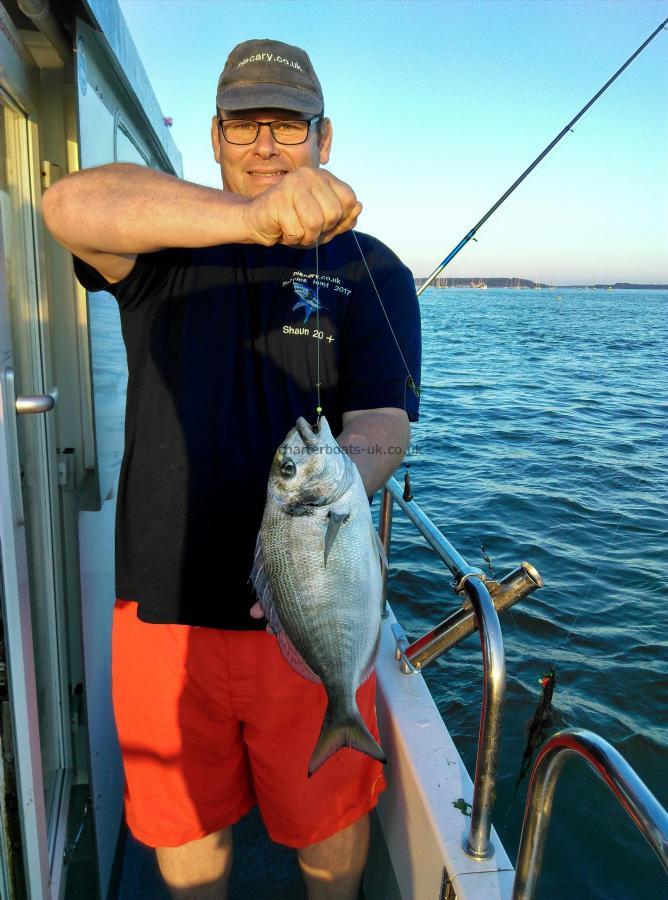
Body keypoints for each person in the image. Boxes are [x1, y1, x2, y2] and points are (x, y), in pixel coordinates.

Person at [43, 38, 420, 899]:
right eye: (245, 125)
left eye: (287, 128)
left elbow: (384, 422)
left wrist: (325, 496)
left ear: (325, 141)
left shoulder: (372, 269)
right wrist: (248, 219)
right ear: (213, 137)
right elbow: (67, 204)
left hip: (311, 609)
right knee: (187, 832)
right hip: (166, 610)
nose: (264, 146)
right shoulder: (168, 248)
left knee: (326, 828)